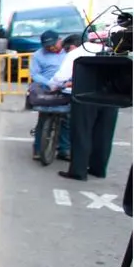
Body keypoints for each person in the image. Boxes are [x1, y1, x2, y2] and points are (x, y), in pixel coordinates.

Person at [50, 36, 120, 181]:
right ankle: (98, 169)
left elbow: (61, 77)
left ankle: (78, 171)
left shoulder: (75, 54)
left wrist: (53, 85)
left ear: (71, 46)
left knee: (82, 133)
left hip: (85, 96)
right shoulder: (111, 51)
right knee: (104, 134)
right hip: (112, 97)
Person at [29, 29, 70, 161]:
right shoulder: (38, 55)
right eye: (47, 46)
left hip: (66, 88)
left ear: (60, 41)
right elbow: (35, 74)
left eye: (53, 45)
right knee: (43, 118)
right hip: (47, 88)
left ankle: (64, 149)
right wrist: (48, 83)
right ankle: (37, 148)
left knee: (67, 119)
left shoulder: (69, 53)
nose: (51, 48)